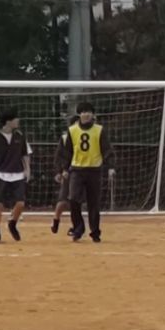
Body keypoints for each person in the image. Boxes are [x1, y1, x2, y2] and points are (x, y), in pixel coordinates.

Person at [59, 102, 115, 243]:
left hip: (94, 170)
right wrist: (65, 168)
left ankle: (95, 232)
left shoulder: (99, 130)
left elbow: (106, 149)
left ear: (93, 114)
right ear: (79, 114)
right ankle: (78, 228)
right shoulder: (72, 130)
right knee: (73, 199)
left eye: (89, 112)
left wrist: (111, 166)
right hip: (77, 170)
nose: (86, 114)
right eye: (83, 112)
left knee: (93, 203)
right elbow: (68, 152)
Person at [0, 110, 32, 244]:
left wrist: (27, 170)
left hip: (18, 173)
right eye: (16, 119)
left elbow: (24, 154)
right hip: (1, 173)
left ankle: (12, 223)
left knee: (20, 203)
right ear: (8, 121)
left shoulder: (20, 135)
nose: (18, 121)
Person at [50, 114, 80, 234]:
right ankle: (56, 220)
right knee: (63, 200)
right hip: (69, 172)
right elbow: (59, 156)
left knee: (76, 201)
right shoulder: (65, 138)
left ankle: (75, 226)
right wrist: (59, 171)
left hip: (81, 171)